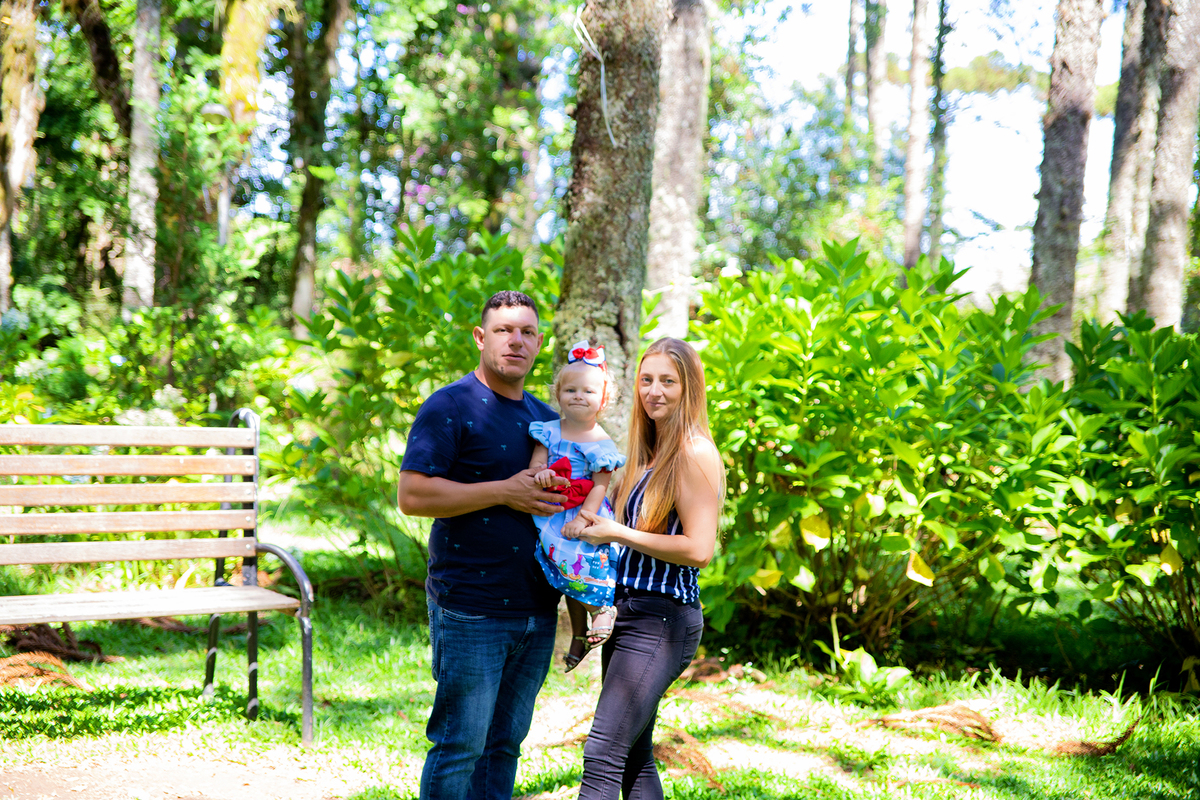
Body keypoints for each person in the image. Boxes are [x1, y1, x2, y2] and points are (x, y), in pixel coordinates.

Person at [397, 290, 569, 800]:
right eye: (503, 330)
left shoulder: (547, 421)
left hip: (538, 611)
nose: (516, 341)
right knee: (460, 745)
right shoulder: (449, 406)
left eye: (527, 332)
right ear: (481, 337)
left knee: (505, 746)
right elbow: (412, 495)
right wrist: (504, 491)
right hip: (470, 608)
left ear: (539, 342)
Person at [568, 336, 725, 800]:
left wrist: (617, 533)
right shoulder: (645, 452)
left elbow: (699, 549)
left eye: (668, 381)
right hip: (629, 613)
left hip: (663, 619)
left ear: (690, 388)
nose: (654, 391)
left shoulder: (695, 453)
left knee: (602, 753)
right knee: (633, 754)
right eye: (647, 380)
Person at [527, 340, 625, 672]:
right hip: (552, 511)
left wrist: (583, 520)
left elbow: (601, 484)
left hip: (584, 512)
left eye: (588, 391)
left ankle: (602, 611)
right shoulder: (547, 431)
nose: (578, 396)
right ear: (558, 395)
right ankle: (579, 632)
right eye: (570, 390)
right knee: (565, 573)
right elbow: (537, 465)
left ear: (604, 400)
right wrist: (542, 475)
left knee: (577, 564)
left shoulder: (600, 442)